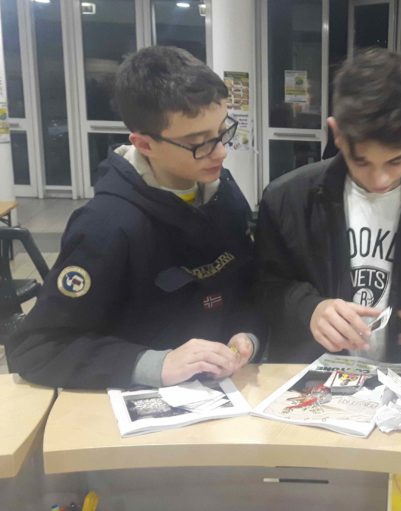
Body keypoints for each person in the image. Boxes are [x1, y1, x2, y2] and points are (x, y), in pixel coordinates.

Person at [7, 46, 264, 389]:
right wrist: (156, 364)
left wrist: (248, 335)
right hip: (138, 405)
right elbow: (36, 349)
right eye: (198, 143)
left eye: (222, 132)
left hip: (225, 393)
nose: (220, 152)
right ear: (144, 145)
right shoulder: (106, 226)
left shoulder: (225, 194)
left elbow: (246, 287)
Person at [255, 48, 401, 370]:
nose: (380, 179)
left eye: (396, 160)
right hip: (315, 378)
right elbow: (266, 288)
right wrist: (310, 309)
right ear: (337, 133)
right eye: (361, 161)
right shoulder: (286, 200)